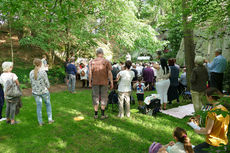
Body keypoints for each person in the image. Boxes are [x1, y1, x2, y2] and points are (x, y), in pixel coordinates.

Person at [194, 88, 229, 153]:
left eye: (206, 96)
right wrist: (204, 128)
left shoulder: (212, 113)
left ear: (210, 97)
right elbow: (217, 127)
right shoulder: (225, 110)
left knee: (194, 150)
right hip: (224, 144)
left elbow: (208, 131)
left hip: (213, 144)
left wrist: (198, 131)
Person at [89, 48, 113, 120]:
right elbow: (109, 73)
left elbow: (90, 73)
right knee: (104, 97)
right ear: (102, 54)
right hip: (104, 82)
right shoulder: (106, 61)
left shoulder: (91, 62)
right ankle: (102, 114)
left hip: (95, 82)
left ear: (96, 54)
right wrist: (111, 82)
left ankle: (96, 114)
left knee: (95, 97)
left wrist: (89, 81)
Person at [30, 58, 54, 126]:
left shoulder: (31, 72)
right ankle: (50, 120)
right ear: (41, 64)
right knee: (48, 105)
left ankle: (40, 122)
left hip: (35, 92)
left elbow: (31, 83)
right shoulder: (43, 72)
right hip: (44, 92)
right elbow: (47, 82)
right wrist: (48, 87)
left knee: (39, 106)